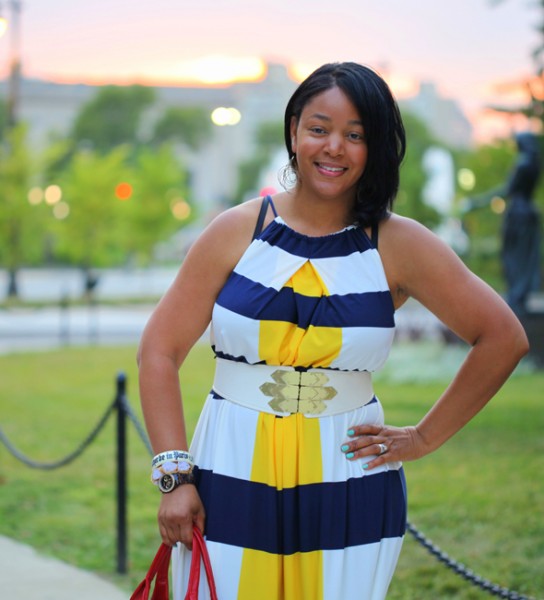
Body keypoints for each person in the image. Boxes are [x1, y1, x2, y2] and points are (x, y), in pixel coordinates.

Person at [137, 62, 529, 600]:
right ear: (294, 129)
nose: (334, 148)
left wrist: (422, 438)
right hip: (230, 467)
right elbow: (159, 349)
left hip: (348, 479)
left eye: (356, 135)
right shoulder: (237, 230)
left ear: (377, 148)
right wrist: (175, 478)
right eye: (319, 128)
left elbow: (503, 337)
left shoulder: (398, 244)